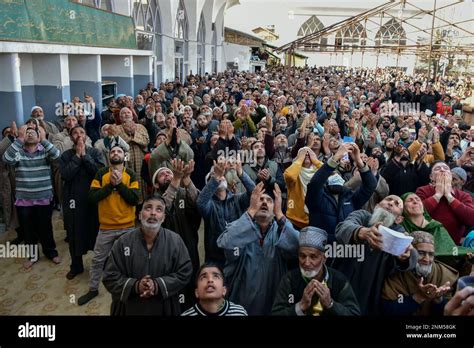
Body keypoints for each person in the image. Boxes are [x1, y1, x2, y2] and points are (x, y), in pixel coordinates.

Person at [217, 182, 299, 315]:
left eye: (269, 200)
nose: (265, 203)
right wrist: (251, 211)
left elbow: (299, 247)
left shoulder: (281, 231)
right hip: (241, 305)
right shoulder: (240, 227)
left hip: (273, 304)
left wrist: (280, 214)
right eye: (260, 199)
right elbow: (226, 242)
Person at [102, 195, 192, 315]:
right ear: (139, 215)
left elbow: (185, 272)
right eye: (148, 208)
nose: (153, 213)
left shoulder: (175, 241)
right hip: (128, 308)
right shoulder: (123, 242)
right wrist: (136, 286)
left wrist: (157, 285)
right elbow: (110, 276)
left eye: (159, 209)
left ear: (163, 218)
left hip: (165, 307)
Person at [78, 143, 140, 305]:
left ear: (124, 156)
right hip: (106, 228)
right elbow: (92, 198)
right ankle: (93, 289)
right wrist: (110, 186)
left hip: (127, 227)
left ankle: (132, 289)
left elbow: (134, 199)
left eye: (119, 151)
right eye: (113, 151)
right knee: (98, 260)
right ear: (109, 156)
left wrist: (118, 185)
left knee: (131, 259)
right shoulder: (101, 174)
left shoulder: (131, 175)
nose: (116, 153)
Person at [335, 195, 418, 315]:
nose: (391, 204)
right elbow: (342, 228)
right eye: (388, 199)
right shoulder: (362, 216)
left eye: (396, 204)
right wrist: (361, 232)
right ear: (376, 206)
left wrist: (406, 256)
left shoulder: (399, 233)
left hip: (370, 294)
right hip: (342, 282)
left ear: (399, 219)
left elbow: (413, 255)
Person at [2, 124, 61, 268]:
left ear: (39, 135)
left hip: (44, 197)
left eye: (32, 132)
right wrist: (19, 139)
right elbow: (6, 159)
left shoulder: (45, 151)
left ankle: (50, 252)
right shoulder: (18, 152)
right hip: (24, 200)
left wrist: (44, 139)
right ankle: (33, 256)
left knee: (45, 228)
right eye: (26, 132)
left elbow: (57, 155)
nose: (29, 134)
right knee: (28, 230)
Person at [272, 226, 360, 316]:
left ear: (324, 258)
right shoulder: (289, 280)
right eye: (302, 256)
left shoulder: (339, 281)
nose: (306, 263)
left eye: (313, 257)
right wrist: (300, 307)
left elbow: (354, 313)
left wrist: (331, 304)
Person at [59, 125, 105, 279]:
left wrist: (85, 156)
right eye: (75, 133)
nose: (78, 135)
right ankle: (76, 266)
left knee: (97, 233)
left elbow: (99, 173)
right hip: (73, 202)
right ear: (71, 137)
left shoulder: (95, 152)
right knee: (74, 234)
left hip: (93, 200)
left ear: (86, 136)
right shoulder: (66, 155)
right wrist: (77, 157)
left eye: (81, 132)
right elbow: (66, 175)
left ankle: (101, 264)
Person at [306, 143, 377, 241]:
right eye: (331, 174)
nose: (335, 176)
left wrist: (359, 161)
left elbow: (371, 185)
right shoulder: (317, 197)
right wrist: (335, 158)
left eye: (337, 175)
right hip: (321, 249)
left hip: (345, 250)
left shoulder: (351, 198)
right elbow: (315, 183)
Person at [381, 231, 458, 315]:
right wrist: (419, 297)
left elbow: (448, 312)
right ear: (410, 252)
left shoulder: (444, 274)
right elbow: (388, 310)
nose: (427, 259)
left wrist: (438, 298)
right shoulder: (397, 273)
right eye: (421, 253)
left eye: (431, 254)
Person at [197, 156, 255, 266]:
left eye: (222, 176)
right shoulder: (210, 205)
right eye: (214, 177)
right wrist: (216, 177)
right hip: (215, 260)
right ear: (210, 184)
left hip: (240, 257)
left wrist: (241, 174)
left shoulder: (237, 199)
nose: (220, 178)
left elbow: (254, 193)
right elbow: (201, 202)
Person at [416, 161, 474, 245]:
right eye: (437, 168)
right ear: (431, 177)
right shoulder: (422, 190)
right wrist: (438, 195)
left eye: (446, 168)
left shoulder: (463, 195)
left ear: (450, 175)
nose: (442, 170)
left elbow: (470, 219)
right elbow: (418, 213)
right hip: (426, 244)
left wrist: (449, 196)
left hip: (453, 246)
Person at [181, 263, 248, 316]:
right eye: (204, 277)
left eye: (216, 276)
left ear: (224, 290)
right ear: (197, 292)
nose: (210, 280)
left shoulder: (239, 313)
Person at [284, 147, 322, 229]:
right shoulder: (294, 171)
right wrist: (299, 159)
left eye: (309, 153)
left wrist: (316, 161)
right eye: (303, 153)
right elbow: (290, 176)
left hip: (317, 218)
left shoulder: (319, 171)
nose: (306, 154)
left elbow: (331, 176)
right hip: (295, 220)